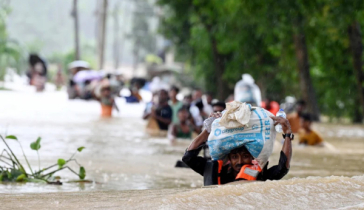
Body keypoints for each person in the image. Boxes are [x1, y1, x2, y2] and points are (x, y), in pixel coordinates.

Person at [182, 112, 293, 186]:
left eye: (245, 156)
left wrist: (287, 134)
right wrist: (208, 130)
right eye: (235, 157)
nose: (240, 162)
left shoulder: (261, 176)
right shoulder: (216, 171)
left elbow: (282, 168)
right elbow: (188, 158)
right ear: (229, 157)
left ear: (252, 156)